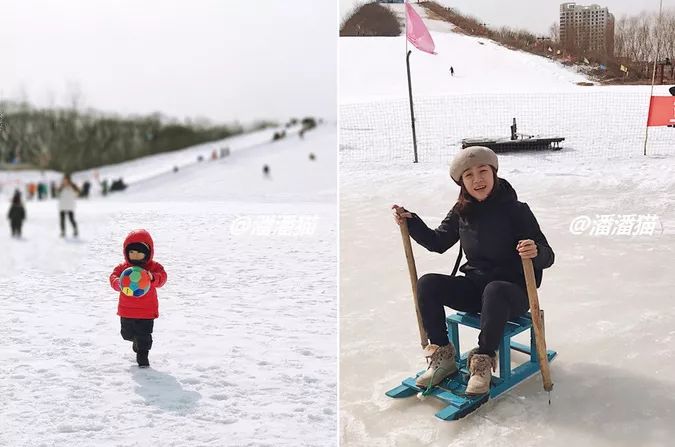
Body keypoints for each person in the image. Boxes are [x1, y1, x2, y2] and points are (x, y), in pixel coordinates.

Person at [392, 146, 554, 396]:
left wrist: (536, 251)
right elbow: (437, 242)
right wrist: (412, 222)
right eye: (469, 175)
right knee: (428, 284)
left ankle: (482, 364)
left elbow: (548, 255)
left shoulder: (516, 210)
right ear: (462, 182)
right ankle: (443, 357)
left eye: (483, 171)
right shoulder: (462, 211)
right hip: (476, 288)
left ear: (494, 173)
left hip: (511, 293)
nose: (477, 179)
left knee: (495, 289)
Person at [109, 229, 167, 368]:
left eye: (139, 252)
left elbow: (162, 278)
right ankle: (135, 341)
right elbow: (113, 277)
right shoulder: (123, 268)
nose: (135, 255)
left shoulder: (153, 267)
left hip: (147, 311)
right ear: (126, 252)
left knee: (144, 336)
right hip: (127, 310)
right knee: (126, 334)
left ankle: (143, 354)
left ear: (148, 252)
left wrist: (153, 277)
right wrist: (118, 283)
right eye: (132, 252)